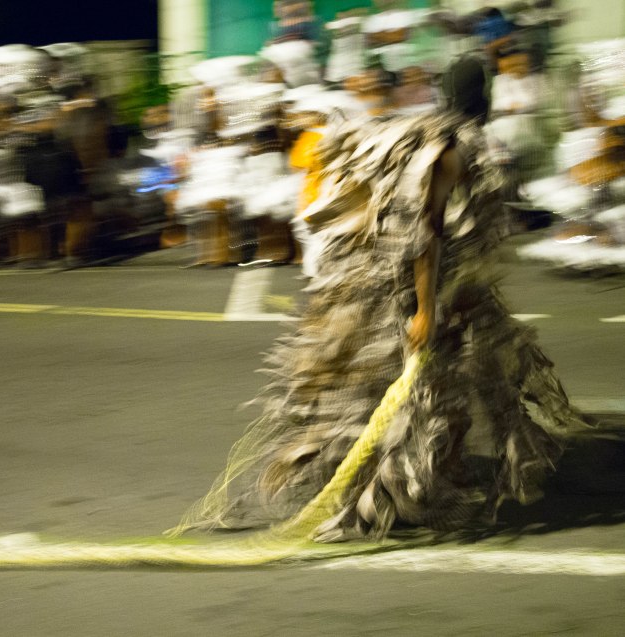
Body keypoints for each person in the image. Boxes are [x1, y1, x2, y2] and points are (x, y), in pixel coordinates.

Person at [172, 56, 587, 541]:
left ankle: (419, 486)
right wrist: (426, 309)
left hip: (419, 286)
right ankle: (396, 497)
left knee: (416, 394)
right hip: (403, 291)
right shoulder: (447, 148)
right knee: (421, 396)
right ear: (484, 98)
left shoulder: (429, 133)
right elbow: (423, 232)